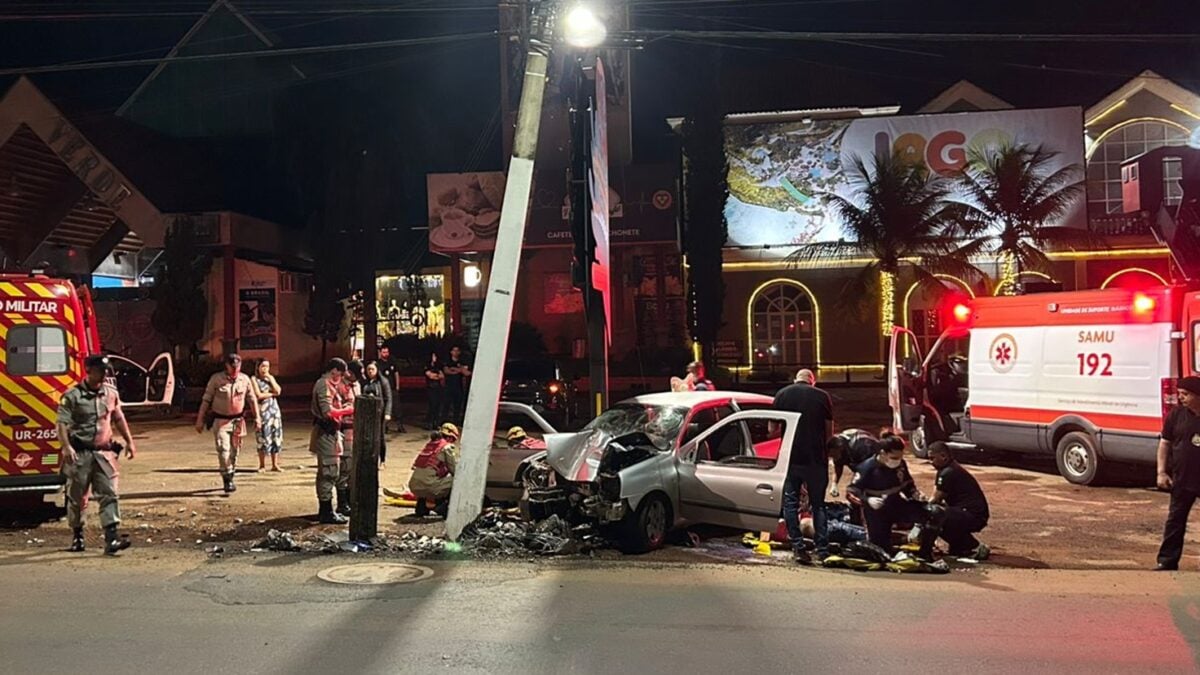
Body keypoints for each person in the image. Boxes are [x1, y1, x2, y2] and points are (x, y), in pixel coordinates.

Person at [57, 355, 137, 555]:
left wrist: (129, 441)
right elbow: (61, 424)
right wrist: (66, 447)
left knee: (109, 494)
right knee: (77, 498)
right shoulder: (72, 396)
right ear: (88, 370)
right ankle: (78, 535)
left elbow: (118, 417)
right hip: (80, 455)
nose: (104, 375)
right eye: (100, 371)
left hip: (103, 453)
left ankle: (111, 538)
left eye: (106, 371)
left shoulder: (110, 394)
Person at [846, 438, 944, 561]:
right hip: (877, 513)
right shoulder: (866, 468)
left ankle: (925, 552)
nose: (897, 461)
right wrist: (867, 500)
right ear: (883, 453)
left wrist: (915, 494)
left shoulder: (901, 465)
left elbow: (908, 485)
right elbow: (851, 493)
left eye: (899, 457)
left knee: (935, 513)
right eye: (894, 458)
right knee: (881, 552)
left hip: (897, 505)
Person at [773, 368, 834, 564]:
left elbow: (771, 428)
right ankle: (822, 549)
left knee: (791, 503)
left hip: (791, 457)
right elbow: (829, 432)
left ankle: (798, 547)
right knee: (818, 505)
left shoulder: (782, 394)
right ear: (812, 381)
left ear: (795, 379)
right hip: (816, 458)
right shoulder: (823, 397)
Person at [195, 354, 261, 493]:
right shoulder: (216, 379)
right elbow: (206, 400)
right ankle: (227, 477)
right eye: (232, 366)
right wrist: (200, 420)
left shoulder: (244, 379)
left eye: (237, 366)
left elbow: (252, 399)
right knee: (223, 449)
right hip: (221, 420)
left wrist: (257, 418)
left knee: (235, 451)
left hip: (238, 420)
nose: (235, 369)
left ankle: (231, 472)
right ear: (226, 365)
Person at [1155, 376, 1200, 571]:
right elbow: (1165, 444)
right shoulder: (1176, 415)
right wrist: (1161, 472)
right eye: (1180, 393)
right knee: (1175, 520)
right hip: (1182, 478)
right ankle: (1167, 560)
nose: (1181, 398)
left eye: (1186, 394)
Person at [927, 442, 990, 560]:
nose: (931, 462)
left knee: (936, 516)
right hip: (965, 512)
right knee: (937, 514)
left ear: (943, 456)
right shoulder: (945, 470)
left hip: (973, 515)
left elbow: (935, 499)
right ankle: (959, 547)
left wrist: (920, 510)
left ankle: (974, 546)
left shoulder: (949, 472)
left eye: (932, 458)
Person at [309, 358, 352, 524]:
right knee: (329, 472)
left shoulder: (329, 385)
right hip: (325, 432)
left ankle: (327, 510)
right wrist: (348, 410)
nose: (340, 378)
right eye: (340, 374)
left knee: (332, 471)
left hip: (332, 433)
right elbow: (328, 412)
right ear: (334, 371)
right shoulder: (324, 384)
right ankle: (326, 512)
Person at [410, 423, 460, 517]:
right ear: (450, 438)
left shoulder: (430, 445)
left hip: (414, 486)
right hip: (429, 487)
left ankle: (421, 507)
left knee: (429, 478)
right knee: (457, 480)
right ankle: (443, 507)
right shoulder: (447, 447)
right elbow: (454, 470)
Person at [334, 360, 363, 516]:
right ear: (349, 373)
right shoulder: (338, 386)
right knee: (345, 465)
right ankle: (342, 503)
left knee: (354, 467)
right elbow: (336, 409)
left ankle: (352, 500)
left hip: (356, 428)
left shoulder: (356, 385)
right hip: (344, 429)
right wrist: (349, 409)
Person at [252, 358, 284, 472]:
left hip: (274, 411)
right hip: (263, 411)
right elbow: (258, 395)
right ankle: (262, 465)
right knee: (263, 437)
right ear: (258, 367)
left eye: (267, 366)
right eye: (263, 366)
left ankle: (275, 464)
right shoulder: (254, 379)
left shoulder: (270, 378)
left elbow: (278, 391)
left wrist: (270, 379)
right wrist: (271, 394)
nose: (265, 369)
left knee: (276, 437)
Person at [361, 360, 394, 466]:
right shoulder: (364, 382)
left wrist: (387, 413)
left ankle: (382, 460)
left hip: (379, 413)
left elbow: (388, 398)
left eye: (372, 369)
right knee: (367, 437)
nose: (370, 371)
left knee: (380, 437)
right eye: (368, 369)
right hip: (367, 414)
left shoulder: (383, 381)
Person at [377, 346, 404, 433]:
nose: (386, 354)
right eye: (384, 352)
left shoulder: (392, 362)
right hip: (383, 389)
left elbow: (396, 374)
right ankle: (385, 427)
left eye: (387, 352)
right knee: (385, 408)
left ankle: (400, 425)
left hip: (392, 388)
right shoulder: (378, 364)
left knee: (397, 408)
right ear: (380, 353)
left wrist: (397, 386)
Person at [443, 346, 471, 423]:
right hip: (448, 386)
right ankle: (443, 421)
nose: (455, 352)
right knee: (446, 404)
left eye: (457, 351)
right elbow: (447, 371)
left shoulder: (462, 362)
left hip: (459, 387)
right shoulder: (447, 361)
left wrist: (457, 369)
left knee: (457, 405)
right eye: (454, 351)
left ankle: (456, 421)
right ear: (451, 352)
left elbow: (467, 373)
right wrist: (459, 371)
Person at [424, 352, 445, 430]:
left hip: (438, 388)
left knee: (437, 406)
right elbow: (430, 376)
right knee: (432, 405)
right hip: (430, 388)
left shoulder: (439, 366)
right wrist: (437, 376)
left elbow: (442, 376)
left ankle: (436, 423)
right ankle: (429, 422)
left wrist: (437, 376)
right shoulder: (427, 366)